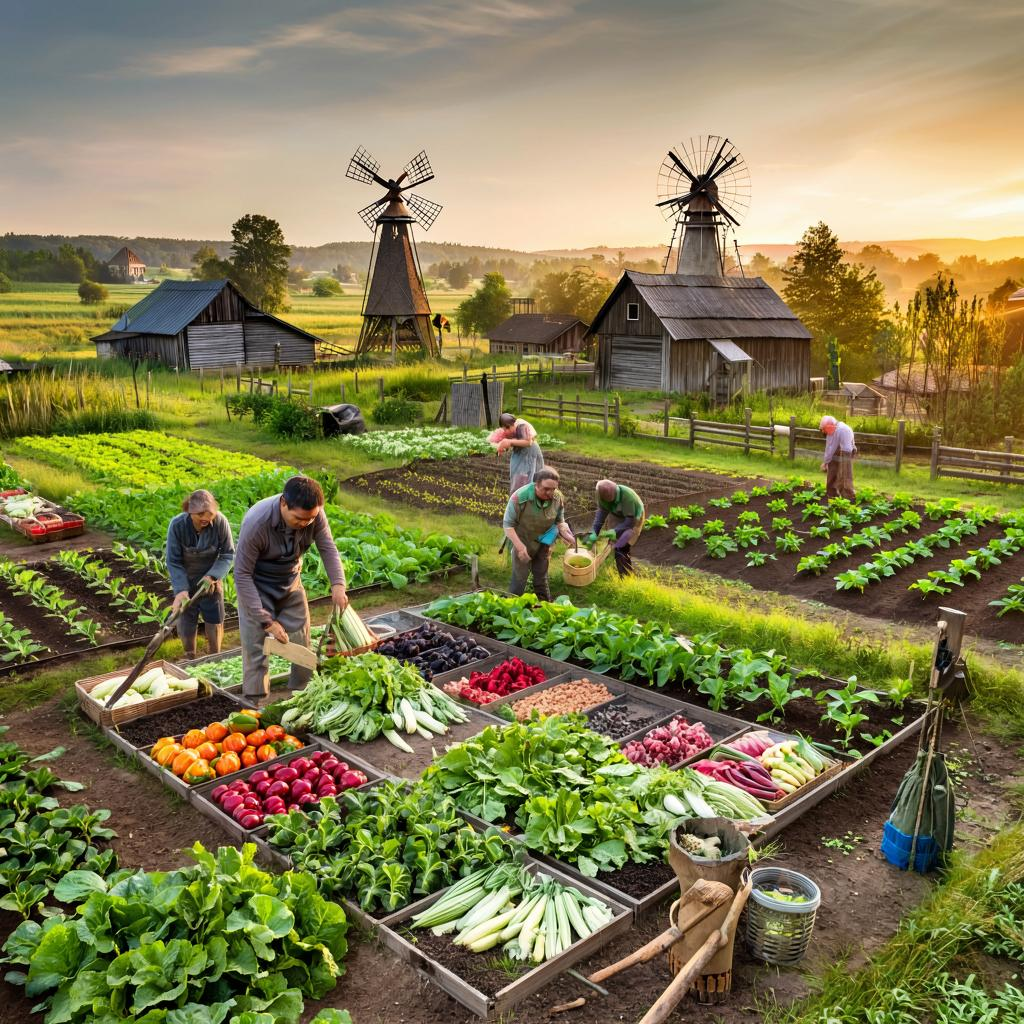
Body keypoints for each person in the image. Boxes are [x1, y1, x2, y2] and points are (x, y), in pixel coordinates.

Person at [234, 475, 348, 700]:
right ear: (283, 504)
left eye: (310, 519)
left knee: (301, 641)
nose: (305, 523)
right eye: (299, 519)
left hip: (291, 582)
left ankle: (302, 694)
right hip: (256, 586)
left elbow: (327, 547)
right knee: (256, 646)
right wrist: (267, 621)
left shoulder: (314, 514)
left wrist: (338, 584)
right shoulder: (258, 522)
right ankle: (255, 703)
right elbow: (242, 575)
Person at [165, 489, 234, 659]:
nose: (205, 518)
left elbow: (227, 554)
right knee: (186, 619)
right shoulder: (177, 525)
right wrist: (181, 589)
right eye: (200, 514)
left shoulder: (220, 522)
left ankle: (215, 656)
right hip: (187, 580)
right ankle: (190, 657)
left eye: (209, 513)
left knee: (214, 618)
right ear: (189, 510)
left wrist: (212, 576)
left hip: (211, 581)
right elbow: (173, 560)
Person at [503, 467, 574, 601]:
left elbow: (559, 521)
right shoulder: (520, 498)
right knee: (520, 577)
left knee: (541, 575)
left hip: (544, 541)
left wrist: (566, 534)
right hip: (523, 540)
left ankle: (545, 605)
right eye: (546, 489)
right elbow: (508, 526)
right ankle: (512, 604)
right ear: (536, 484)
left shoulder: (557, 498)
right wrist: (520, 547)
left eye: (553, 489)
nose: (550, 493)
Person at [586, 479, 646, 576]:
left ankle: (626, 577)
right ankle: (603, 570)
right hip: (617, 514)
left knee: (621, 547)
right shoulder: (602, 497)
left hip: (633, 518)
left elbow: (629, 523)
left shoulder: (628, 497)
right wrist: (594, 533)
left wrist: (613, 531)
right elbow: (600, 516)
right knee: (611, 543)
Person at [492, 412, 544, 492]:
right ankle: (518, 499)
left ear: (512, 424)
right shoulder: (512, 429)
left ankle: (524, 499)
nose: (506, 430)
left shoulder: (521, 426)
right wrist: (505, 446)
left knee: (526, 477)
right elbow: (514, 440)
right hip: (520, 452)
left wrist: (510, 442)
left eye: (508, 427)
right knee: (517, 477)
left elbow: (528, 442)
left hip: (528, 453)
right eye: (504, 428)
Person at [820, 415, 857, 500]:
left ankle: (848, 497)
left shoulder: (843, 430)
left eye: (824, 429)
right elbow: (829, 448)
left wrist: (843, 464)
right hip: (838, 451)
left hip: (847, 451)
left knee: (844, 475)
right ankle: (831, 494)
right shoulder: (830, 432)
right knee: (832, 471)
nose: (823, 431)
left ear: (830, 426)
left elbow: (847, 449)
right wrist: (826, 462)